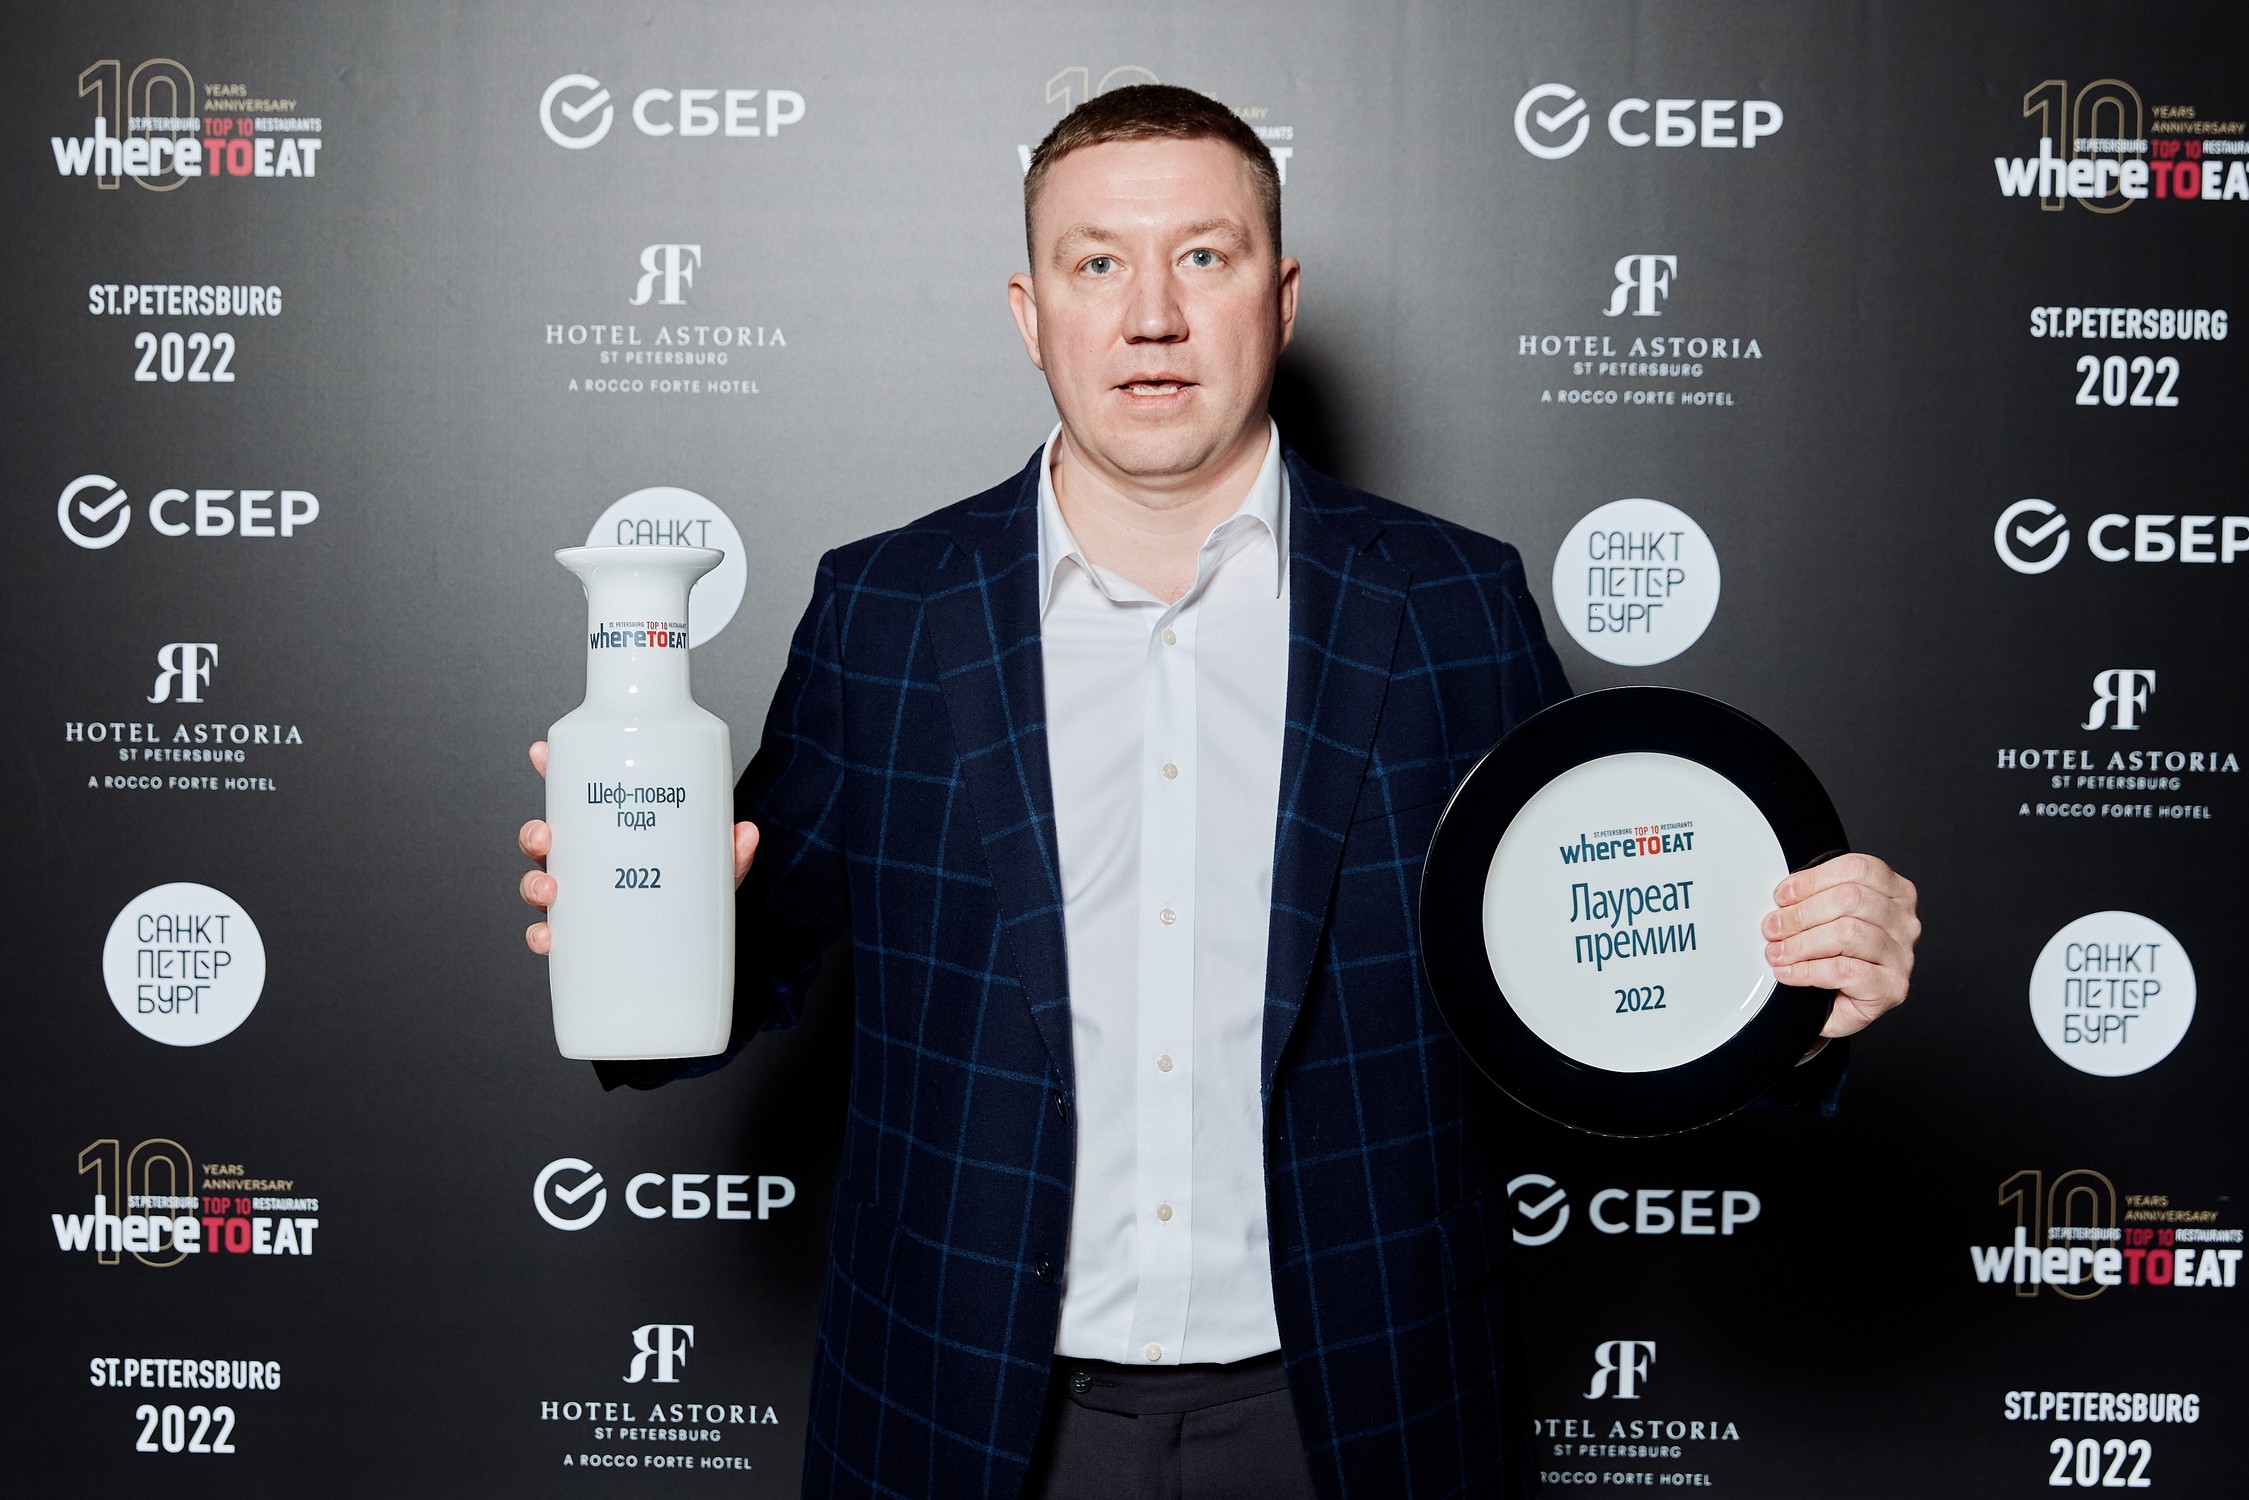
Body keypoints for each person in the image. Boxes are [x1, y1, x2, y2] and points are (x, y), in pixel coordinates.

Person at [516, 84, 1920, 1500]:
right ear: (1030, 314)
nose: (1151, 315)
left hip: (1363, 1411)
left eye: (1202, 255)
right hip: (961, 1407)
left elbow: (1584, 967)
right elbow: (751, 962)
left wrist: (1787, 1005)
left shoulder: (1452, 602)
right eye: (1096, 263)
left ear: (1280, 297)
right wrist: (643, 933)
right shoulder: (885, 609)